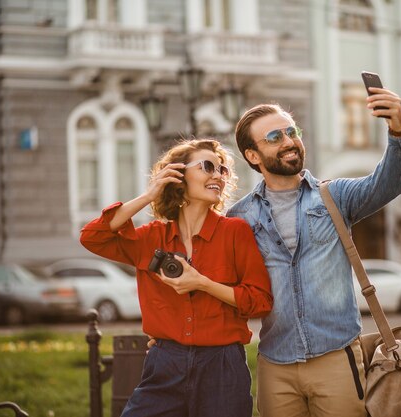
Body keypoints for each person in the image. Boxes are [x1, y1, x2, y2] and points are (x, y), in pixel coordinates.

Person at [225, 87, 401, 417]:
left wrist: (397, 129)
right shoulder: (240, 216)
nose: (288, 141)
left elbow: (387, 184)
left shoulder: (333, 196)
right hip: (275, 364)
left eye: (291, 132)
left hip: (336, 357)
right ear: (253, 155)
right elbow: (222, 278)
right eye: (274, 137)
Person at [80, 138, 273, 417]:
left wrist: (202, 284)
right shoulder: (151, 237)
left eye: (223, 170)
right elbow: (92, 237)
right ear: (179, 175)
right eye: (208, 166)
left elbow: (260, 301)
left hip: (221, 366)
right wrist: (149, 195)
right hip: (165, 363)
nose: (217, 176)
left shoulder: (234, 232)